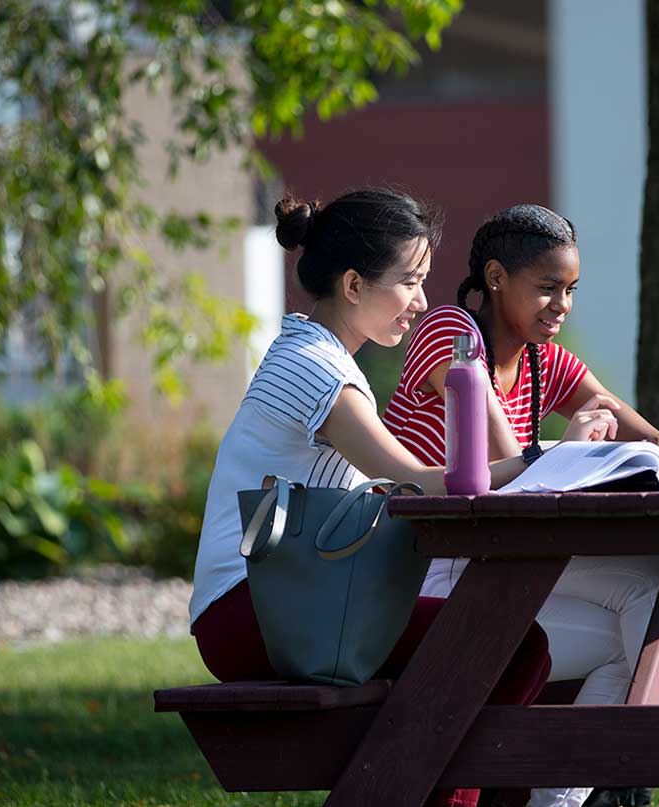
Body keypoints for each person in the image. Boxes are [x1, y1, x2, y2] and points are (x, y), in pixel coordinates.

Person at [188, 189, 622, 807]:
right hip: (256, 613)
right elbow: (419, 479)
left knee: (504, 645)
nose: (421, 302)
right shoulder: (318, 369)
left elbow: (403, 488)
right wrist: (548, 456)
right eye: (409, 281)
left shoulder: (319, 355)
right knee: (507, 645)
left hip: (288, 605)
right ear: (355, 285)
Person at [382, 204, 659, 807]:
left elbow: (607, 404)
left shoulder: (541, 361)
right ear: (495, 278)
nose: (561, 304)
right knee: (644, 615)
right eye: (547, 288)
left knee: (644, 627)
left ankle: (656, 795)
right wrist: (573, 443)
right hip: (423, 578)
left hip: (490, 568)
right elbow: (512, 470)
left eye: (571, 290)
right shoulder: (451, 336)